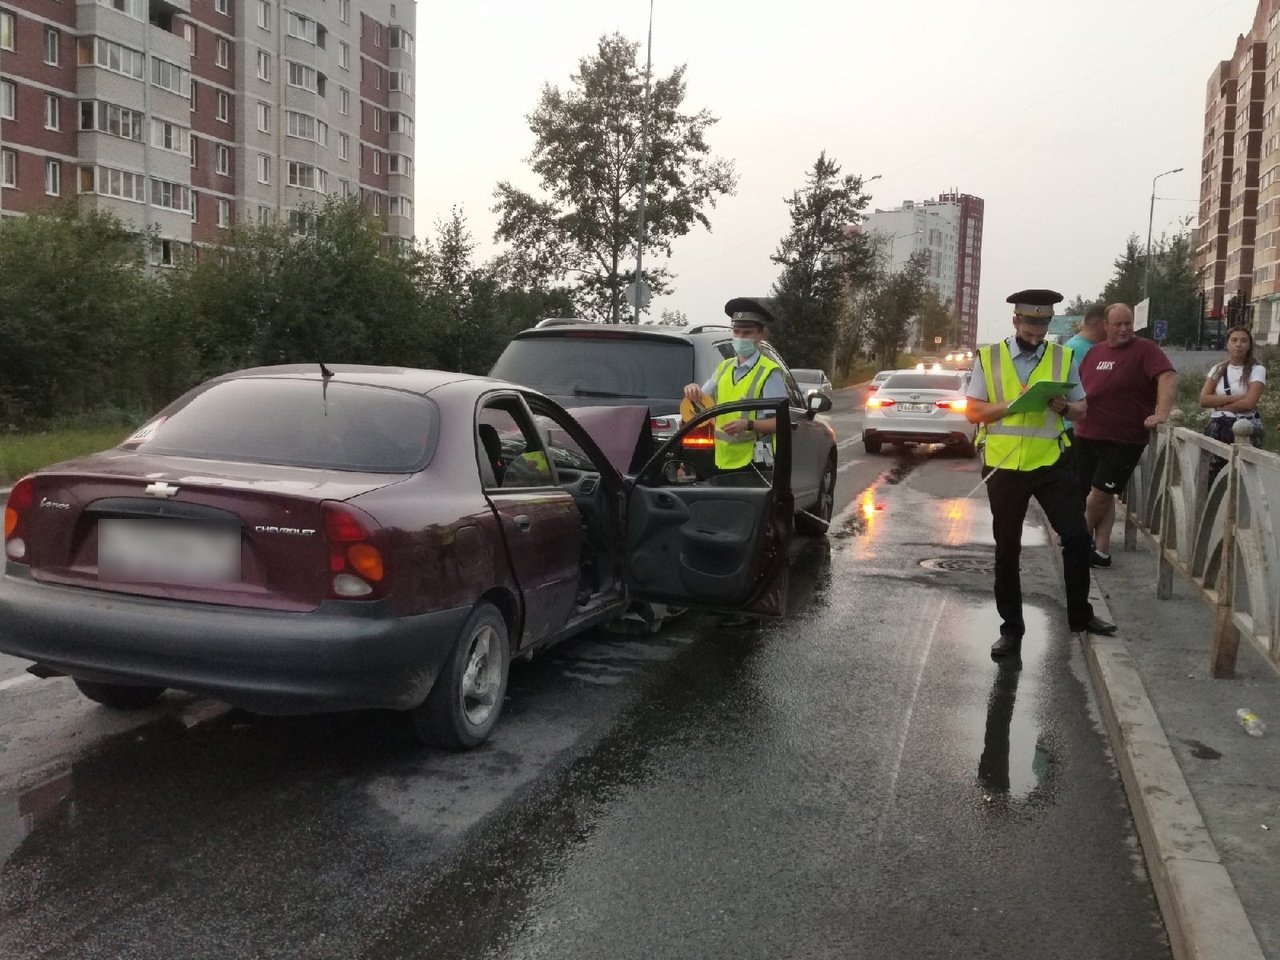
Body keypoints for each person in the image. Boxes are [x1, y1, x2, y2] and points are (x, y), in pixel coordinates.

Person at [965, 289, 1116, 661]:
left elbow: (1082, 410)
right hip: (1005, 467)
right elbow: (973, 412)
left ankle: (1081, 615)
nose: (1036, 330)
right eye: (1030, 323)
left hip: (1052, 463)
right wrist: (1011, 406)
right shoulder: (990, 357)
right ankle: (1011, 632)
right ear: (1016, 321)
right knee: (1007, 550)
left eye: (1043, 323)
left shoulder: (1062, 357)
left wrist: (1066, 406)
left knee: (1078, 538)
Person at [1074, 303, 1177, 567]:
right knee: (1101, 495)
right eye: (1117, 324)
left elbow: (1167, 377)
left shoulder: (1145, 349)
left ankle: (1075, 539)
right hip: (1087, 433)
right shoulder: (1095, 352)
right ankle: (1101, 551)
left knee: (1100, 493)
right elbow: (1082, 388)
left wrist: (1162, 412)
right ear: (1105, 326)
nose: (1123, 329)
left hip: (1124, 439)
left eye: (1127, 323)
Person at [682, 297, 787, 472]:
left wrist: (749, 425)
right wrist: (692, 391)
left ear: (761, 335)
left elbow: (781, 423)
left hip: (755, 463)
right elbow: (701, 403)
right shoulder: (724, 368)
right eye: (736, 332)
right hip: (722, 460)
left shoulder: (770, 372)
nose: (740, 337)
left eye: (747, 333)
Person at [1199, 326, 1267, 485]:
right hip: (1217, 428)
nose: (1239, 344)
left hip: (1246, 428)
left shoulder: (1257, 370)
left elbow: (1249, 403)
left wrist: (1219, 404)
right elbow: (1203, 399)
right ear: (1227, 344)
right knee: (1212, 478)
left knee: (1242, 479)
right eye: (1234, 340)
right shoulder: (1218, 369)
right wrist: (1237, 397)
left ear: (1249, 345)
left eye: (1244, 341)